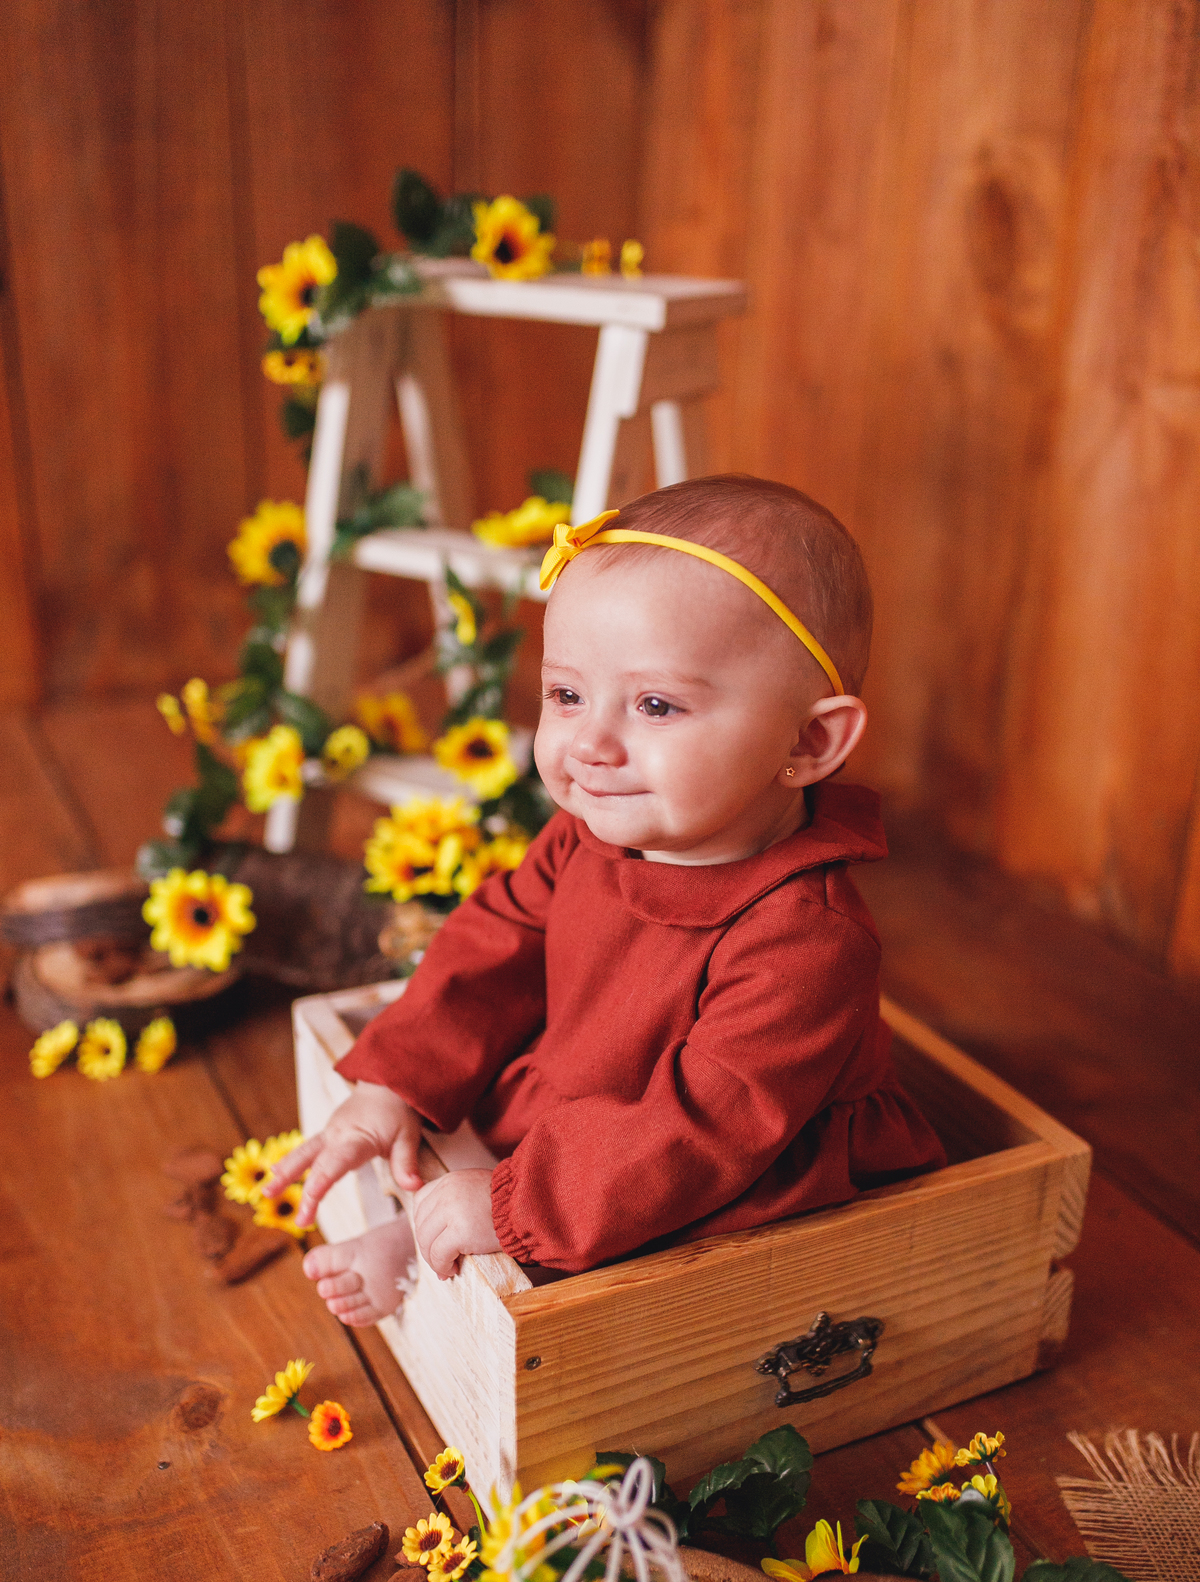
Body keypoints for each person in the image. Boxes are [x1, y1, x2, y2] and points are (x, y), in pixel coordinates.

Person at [266, 474, 945, 1327]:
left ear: (810, 741)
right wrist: (394, 1082)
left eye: (656, 705)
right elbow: (492, 947)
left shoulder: (807, 940)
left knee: (655, 1243)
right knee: (489, 1106)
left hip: (732, 1162)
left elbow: (700, 1131)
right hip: (598, 1104)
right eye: (566, 695)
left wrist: (516, 1206)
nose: (589, 742)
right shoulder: (594, 832)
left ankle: (443, 1247)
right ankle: (441, 1226)